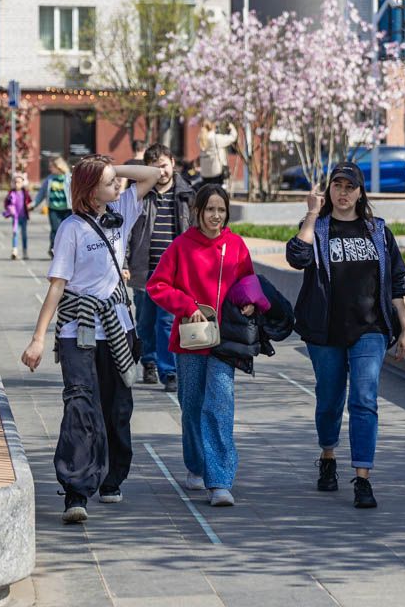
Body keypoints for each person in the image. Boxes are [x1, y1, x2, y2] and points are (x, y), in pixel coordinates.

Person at [21, 155, 163, 524]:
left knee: (118, 405)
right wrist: (38, 339)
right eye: (108, 183)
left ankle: (112, 478)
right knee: (81, 406)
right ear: (89, 191)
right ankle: (76, 490)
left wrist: (113, 169)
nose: (118, 186)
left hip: (116, 327)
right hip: (78, 329)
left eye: (116, 181)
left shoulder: (121, 212)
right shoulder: (71, 229)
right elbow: (57, 286)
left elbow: (152, 174)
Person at [285, 162, 405, 509]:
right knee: (329, 400)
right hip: (325, 331)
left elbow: (396, 282)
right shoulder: (319, 228)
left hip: (370, 329)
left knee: (365, 399)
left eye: (349, 186)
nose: (342, 193)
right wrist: (311, 216)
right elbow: (297, 257)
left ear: (360, 192)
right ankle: (328, 456)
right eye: (336, 186)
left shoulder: (378, 231)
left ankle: (363, 479)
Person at [147, 184, 263, 507]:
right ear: (197, 212)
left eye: (221, 210)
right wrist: (186, 305)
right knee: (192, 404)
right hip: (191, 338)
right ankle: (196, 463)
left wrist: (249, 304)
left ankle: (220, 479)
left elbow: (248, 283)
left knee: (221, 403)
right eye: (209, 209)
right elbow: (156, 285)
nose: (215, 216)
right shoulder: (181, 246)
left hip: (226, 339)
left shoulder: (236, 245)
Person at [126, 143, 196, 390]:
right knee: (144, 321)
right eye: (154, 168)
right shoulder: (138, 195)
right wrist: (124, 264)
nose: (161, 172)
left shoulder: (187, 194)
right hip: (144, 269)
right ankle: (149, 362)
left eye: (164, 166)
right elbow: (126, 233)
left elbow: (197, 231)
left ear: (173, 164)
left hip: (174, 273)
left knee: (167, 322)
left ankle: (169, 371)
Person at [32, 157, 72, 257]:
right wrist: (34, 204)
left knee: (67, 230)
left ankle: (67, 250)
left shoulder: (69, 177)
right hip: (53, 209)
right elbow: (41, 193)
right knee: (55, 229)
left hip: (67, 209)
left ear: (58, 166)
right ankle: (53, 248)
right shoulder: (49, 179)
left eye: (51, 166)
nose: (50, 169)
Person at [198, 122, 237, 187]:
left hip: (205, 173)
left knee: (207, 193)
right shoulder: (216, 138)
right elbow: (233, 137)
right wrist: (232, 127)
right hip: (216, 172)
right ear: (212, 127)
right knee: (217, 193)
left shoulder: (200, 139)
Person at [2, 172, 31, 260]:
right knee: (15, 233)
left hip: (24, 217)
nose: (17, 184)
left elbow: (29, 202)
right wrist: (9, 208)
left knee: (24, 235)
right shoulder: (11, 193)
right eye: (15, 182)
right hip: (15, 218)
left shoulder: (25, 193)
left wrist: (30, 207)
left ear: (23, 183)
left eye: (19, 182)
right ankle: (14, 250)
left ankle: (25, 252)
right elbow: (6, 203)